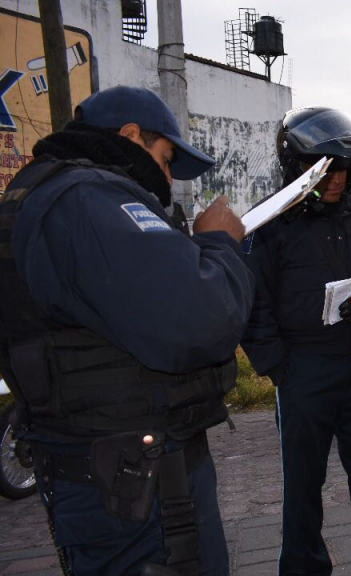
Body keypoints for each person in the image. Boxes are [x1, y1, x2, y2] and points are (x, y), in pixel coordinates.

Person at [0, 85, 253, 575]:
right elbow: (200, 321)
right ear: (130, 135)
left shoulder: (40, 197)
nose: (164, 179)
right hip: (135, 487)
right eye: (163, 160)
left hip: (96, 466)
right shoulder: (89, 200)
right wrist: (219, 244)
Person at [240, 107, 351, 576]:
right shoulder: (268, 223)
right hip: (303, 372)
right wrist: (278, 368)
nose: (336, 178)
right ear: (296, 166)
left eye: (343, 168)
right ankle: (302, 568)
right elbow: (251, 303)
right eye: (323, 167)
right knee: (302, 486)